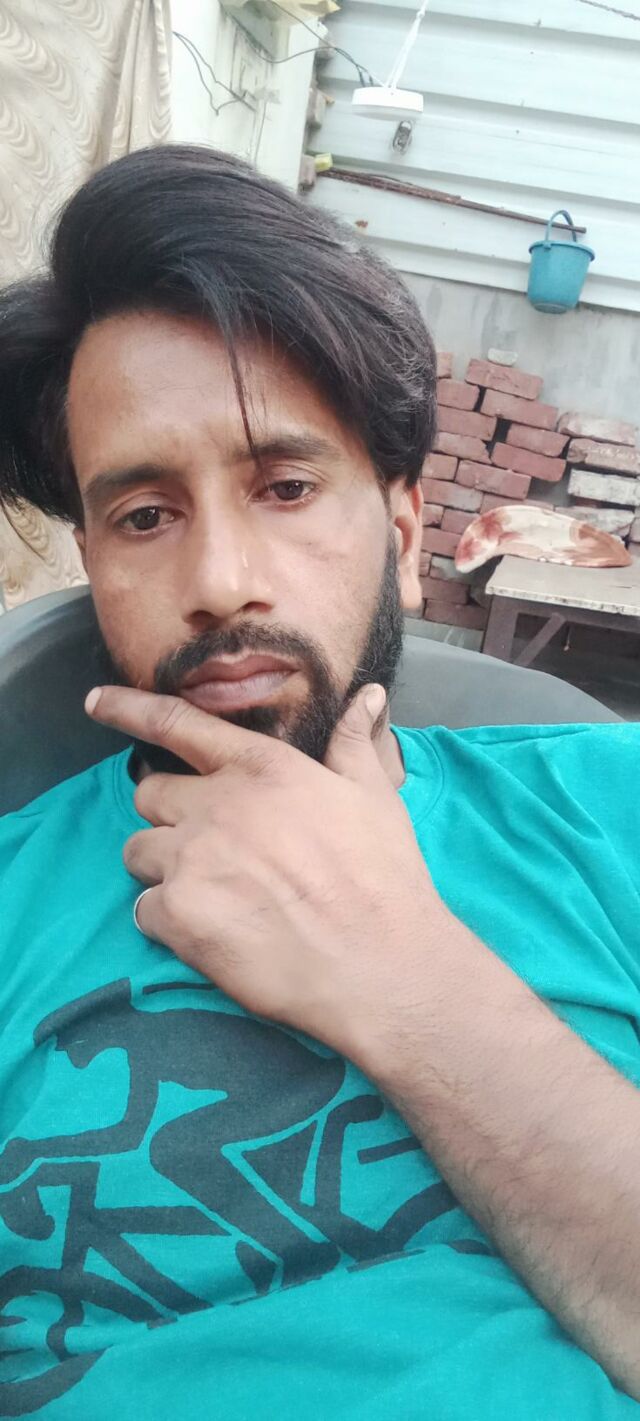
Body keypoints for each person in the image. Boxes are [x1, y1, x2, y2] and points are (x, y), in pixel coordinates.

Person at [0, 146, 639, 1421]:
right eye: (144, 514)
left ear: (402, 534)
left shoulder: (610, 809)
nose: (219, 579)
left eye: (285, 486)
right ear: (92, 560)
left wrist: (403, 972)